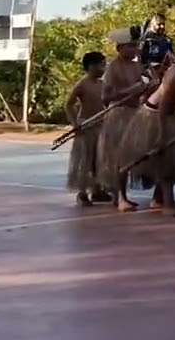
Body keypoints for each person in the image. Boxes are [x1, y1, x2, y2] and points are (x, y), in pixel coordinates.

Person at [121, 32, 175, 218]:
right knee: (164, 158)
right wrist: (162, 132)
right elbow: (165, 103)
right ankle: (168, 204)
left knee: (172, 159)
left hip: (171, 114)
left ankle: (158, 198)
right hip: (155, 115)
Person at [97, 26, 150, 212]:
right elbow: (105, 97)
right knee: (120, 158)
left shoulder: (137, 66)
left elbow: (141, 89)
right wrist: (129, 91)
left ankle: (122, 195)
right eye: (129, 46)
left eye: (135, 46)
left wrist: (146, 88)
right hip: (118, 115)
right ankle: (119, 197)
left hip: (134, 114)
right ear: (119, 48)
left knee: (132, 158)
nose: (133, 49)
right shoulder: (112, 67)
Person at [64, 51, 108, 206]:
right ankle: (82, 192)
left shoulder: (102, 84)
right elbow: (68, 104)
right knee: (86, 160)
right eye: (101, 65)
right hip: (86, 126)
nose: (104, 68)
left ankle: (98, 190)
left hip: (100, 125)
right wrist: (75, 123)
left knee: (100, 160)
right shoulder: (82, 84)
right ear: (91, 66)